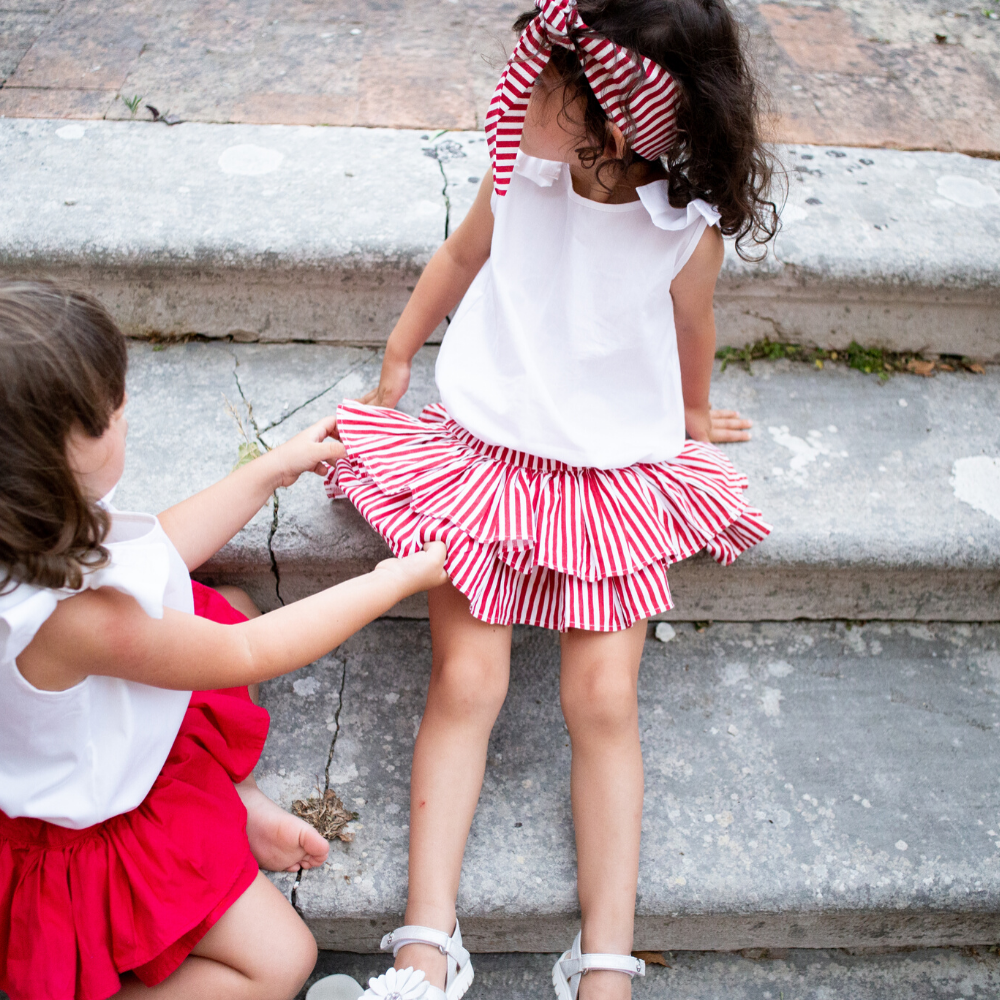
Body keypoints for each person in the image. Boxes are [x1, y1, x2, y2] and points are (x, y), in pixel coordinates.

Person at [324, 2, 779, 998]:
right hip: (487, 452)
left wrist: (692, 414)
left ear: (611, 122)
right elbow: (458, 260)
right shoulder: (520, 176)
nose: (513, 89)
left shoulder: (681, 233)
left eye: (539, 79)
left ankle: (605, 956)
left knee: (604, 698)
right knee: (466, 681)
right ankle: (423, 943)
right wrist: (399, 359)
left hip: (611, 475)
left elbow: (688, 328)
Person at [0, 281, 448, 1000]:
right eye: (113, 412)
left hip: (95, 739)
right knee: (279, 961)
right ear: (54, 454)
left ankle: (231, 804)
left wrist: (271, 469)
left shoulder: (26, 520)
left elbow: (160, 550)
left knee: (224, 603)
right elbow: (250, 654)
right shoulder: (73, 622)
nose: (126, 414)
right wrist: (395, 578)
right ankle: (225, 812)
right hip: (87, 838)